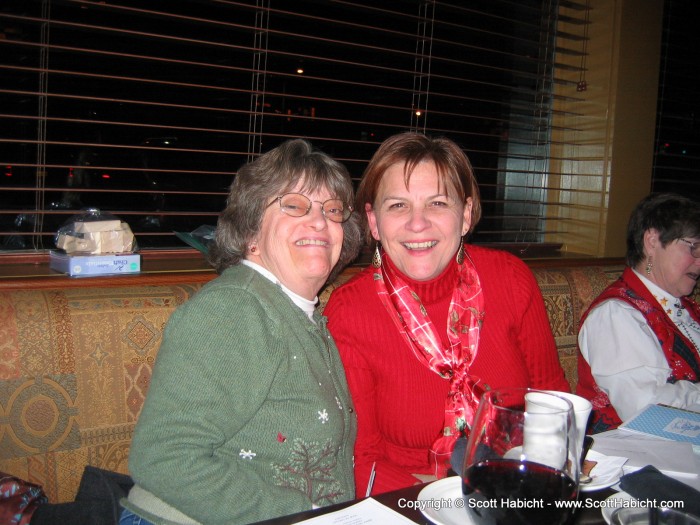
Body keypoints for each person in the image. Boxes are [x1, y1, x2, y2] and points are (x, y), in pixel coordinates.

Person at [119, 139, 362, 525]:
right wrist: (308, 517)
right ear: (251, 228)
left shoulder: (302, 315)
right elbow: (163, 458)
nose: (319, 221)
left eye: (332, 210)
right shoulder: (234, 309)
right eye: (294, 205)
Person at [323, 132, 570, 496]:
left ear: (466, 215)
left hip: (518, 484)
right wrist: (450, 501)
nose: (417, 223)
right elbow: (360, 459)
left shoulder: (512, 279)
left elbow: (553, 402)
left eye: (437, 203)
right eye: (398, 206)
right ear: (374, 223)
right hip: (408, 498)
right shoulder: (349, 312)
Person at [577, 193, 700, 432]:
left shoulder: (682, 308)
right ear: (652, 241)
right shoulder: (615, 314)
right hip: (635, 458)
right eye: (694, 247)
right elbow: (644, 406)